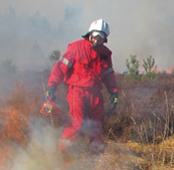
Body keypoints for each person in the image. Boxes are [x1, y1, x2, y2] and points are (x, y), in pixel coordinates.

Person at [45, 19, 120, 153]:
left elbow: (108, 74)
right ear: (90, 34)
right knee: (77, 123)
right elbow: (59, 69)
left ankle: (95, 155)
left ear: (105, 39)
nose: (97, 40)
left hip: (95, 94)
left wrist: (113, 92)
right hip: (77, 92)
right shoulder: (76, 48)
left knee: (96, 125)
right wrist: (52, 87)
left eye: (101, 38)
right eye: (95, 36)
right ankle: (62, 153)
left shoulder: (105, 54)